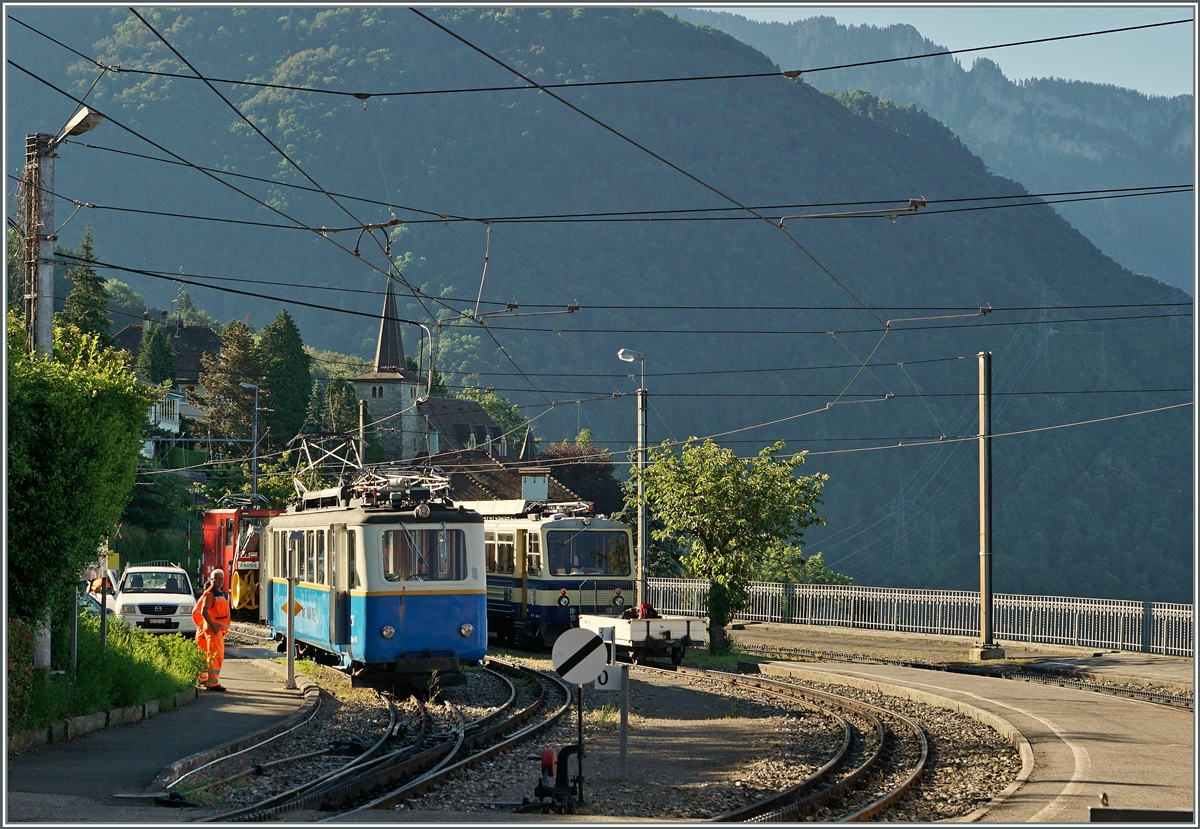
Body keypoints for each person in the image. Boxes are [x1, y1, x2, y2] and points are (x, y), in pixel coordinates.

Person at [192, 569, 231, 692]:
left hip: (216, 631)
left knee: (211, 655)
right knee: (215, 656)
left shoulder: (217, 593)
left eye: (221, 579)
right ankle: (213, 683)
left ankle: (206, 679)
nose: (219, 581)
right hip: (214, 631)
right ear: (211, 579)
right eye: (216, 578)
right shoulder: (210, 594)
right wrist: (214, 628)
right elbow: (203, 611)